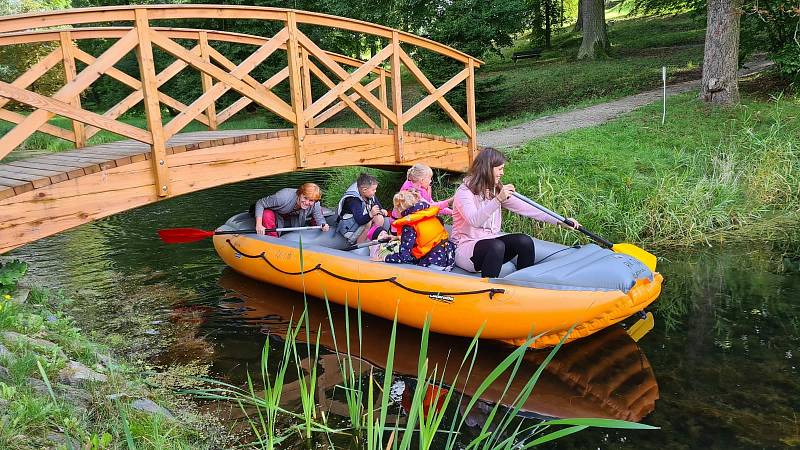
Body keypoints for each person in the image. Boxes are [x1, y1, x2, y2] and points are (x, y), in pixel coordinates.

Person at [451, 147, 581, 278]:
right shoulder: (464, 192)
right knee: (496, 246)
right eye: (500, 169)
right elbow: (474, 220)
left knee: (524, 241)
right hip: (466, 249)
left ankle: (524, 282)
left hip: (491, 243)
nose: (502, 173)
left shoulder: (494, 190)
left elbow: (529, 209)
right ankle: (488, 291)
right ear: (487, 168)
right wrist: (498, 200)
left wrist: (560, 221)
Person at [373, 190, 455, 268]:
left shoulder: (409, 226)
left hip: (434, 262)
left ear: (399, 209)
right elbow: (423, 238)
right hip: (447, 255)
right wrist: (398, 237)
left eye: (394, 208)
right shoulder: (426, 215)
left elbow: (405, 257)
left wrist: (384, 258)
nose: (394, 210)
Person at [253, 183, 329, 237]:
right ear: (300, 194)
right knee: (266, 214)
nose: (307, 203)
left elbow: (320, 220)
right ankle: (274, 239)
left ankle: (312, 237)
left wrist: (324, 225)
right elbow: (260, 203)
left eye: (311, 200)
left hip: (294, 216)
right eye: (305, 198)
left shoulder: (316, 204)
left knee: (319, 211)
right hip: (277, 213)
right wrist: (258, 225)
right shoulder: (282, 197)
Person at [336, 173, 390, 244]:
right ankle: (360, 244)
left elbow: (376, 203)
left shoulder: (367, 193)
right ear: (364, 190)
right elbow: (360, 220)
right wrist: (371, 214)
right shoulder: (354, 200)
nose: (375, 191)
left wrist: (381, 210)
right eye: (373, 190)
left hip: (361, 220)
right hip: (350, 228)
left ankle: (372, 237)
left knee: (380, 218)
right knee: (368, 222)